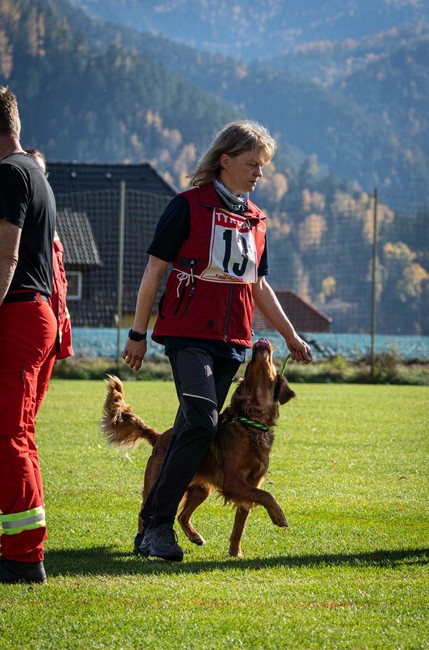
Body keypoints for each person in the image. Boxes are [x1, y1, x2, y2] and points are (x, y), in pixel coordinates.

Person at [123, 120, 312, 562]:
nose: (259, 173)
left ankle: (148, 529)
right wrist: (137, 332)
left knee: (191, 429)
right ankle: (157, 527)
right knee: (203, 421)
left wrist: (291, 335)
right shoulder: (187, 206)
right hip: (187, 335)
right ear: (225, 160)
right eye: (252, 164)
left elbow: (259, 285)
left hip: (232, 343)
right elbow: (154, 270)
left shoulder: (256, 219)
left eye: (262, 166)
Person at [0, 87, 57, 584]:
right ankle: (21, 548)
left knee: (9, 437)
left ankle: (22, 557)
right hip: (33, 314)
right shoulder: (33, 172)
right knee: (17, 434)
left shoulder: (10, 174)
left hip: (16, 314)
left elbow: (7, 254)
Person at [23, 149, 74, 414]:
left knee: (34, 406)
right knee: (22, 404)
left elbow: (60, 280)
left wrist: (62, 322)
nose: (39, 179)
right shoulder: (16, 220)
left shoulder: (50, 224)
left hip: (51, 326)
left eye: (42, 174)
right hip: (29, 321)